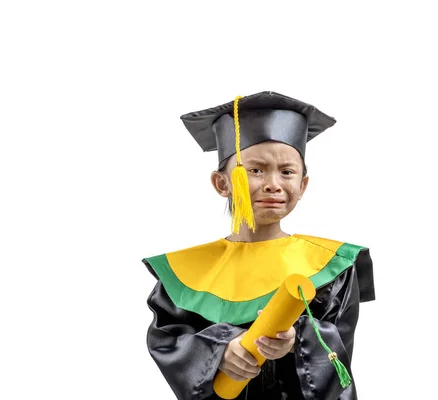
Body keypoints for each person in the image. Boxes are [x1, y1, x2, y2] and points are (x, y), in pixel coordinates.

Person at [142, 91, 375, 399]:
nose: (273, 184)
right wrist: (220, 349)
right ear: (221, 184)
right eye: (255, 170)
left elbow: (340, 353)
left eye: (288, 171)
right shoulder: (184, 273)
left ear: (303, 185)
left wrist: (297, 340)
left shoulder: (332, 265)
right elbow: (168, 342)